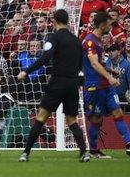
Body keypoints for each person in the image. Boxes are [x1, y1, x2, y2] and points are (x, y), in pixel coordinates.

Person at [16, 9, 89, 162]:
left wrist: (26, 72)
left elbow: (46, 57)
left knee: (41, 117)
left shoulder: (53, 37)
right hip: (72, 83)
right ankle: (84, 153)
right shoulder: (76, 40)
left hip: (57, 82)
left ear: (54, 21)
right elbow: (81, 64)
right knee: (72, 120)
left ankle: (26, 153)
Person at [80, 12, 130, 158]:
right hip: (94, 86)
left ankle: (128, 144)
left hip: (106, 86)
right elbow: (94, 64)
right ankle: (94, 150)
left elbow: (99, 63)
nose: (110, 26)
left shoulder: (99, 41)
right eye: (109, 24)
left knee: (118, 112)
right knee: (96, 119)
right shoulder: (90, 41)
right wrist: (109, 77)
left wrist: (110, 71)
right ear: (102, 25)